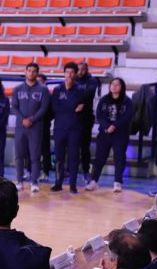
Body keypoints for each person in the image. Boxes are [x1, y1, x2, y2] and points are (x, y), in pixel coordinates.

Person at [86, 78, 133, 193]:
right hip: (105, 133)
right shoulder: (104, 99)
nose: (114, 86)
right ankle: (94, 181)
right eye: (112, 84)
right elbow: (99, 115)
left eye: (117, 85)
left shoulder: (127, 101)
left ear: (122, 87)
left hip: (120, 134)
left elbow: (127, 117)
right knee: (99, 158)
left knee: (119, 157)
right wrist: (107, 126)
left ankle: (118, 182)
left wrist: (114, 126)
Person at [11, 62, 50, 193]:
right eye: (29, 71)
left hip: (36, 127)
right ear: (25, 72)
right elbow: (14, 107)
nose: (31, 73)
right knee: (19, 155)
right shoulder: (17, 89)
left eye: (34, 71)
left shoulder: (43, 89)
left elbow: (44, 108)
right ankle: (19, 181)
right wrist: (23, 119)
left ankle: (34, 182)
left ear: (37, 73)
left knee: (35, 155)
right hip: (20, 126)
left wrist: (32, 120)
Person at [49, 62, 85, 193]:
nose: (69, 75)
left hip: (74, 128)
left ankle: (72, 185)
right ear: (64, 73)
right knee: (59, 157)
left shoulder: (80, 90)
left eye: (72, 72)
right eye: (67, 72)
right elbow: (55, 108)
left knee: (73, 157)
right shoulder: (57, 89)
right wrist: (72, 108)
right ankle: (58, 183)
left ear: (75, 74)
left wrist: (69, 108)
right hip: (59, 128)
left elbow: (81, 108)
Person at [75, 61, 100, 183]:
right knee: (71, 147)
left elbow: (88, 94)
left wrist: (74, 95)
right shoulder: (73, 79)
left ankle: (86, 172)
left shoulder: (92, 80)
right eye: (78, 69)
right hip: (73, 117)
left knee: (85, 147)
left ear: (87, 70)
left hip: (86, 118)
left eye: (83, 69)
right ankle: (69, 171)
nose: (80, 72)